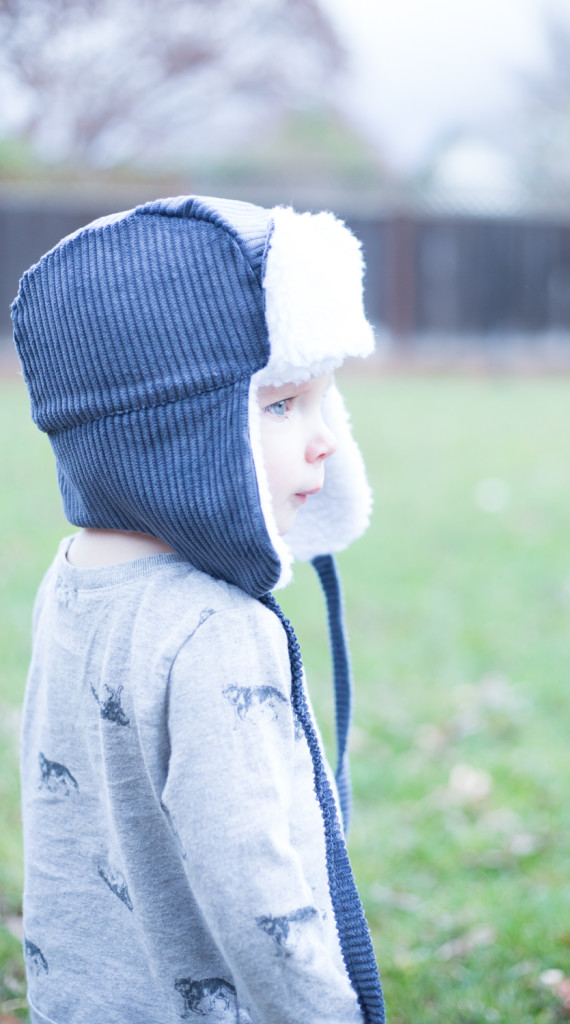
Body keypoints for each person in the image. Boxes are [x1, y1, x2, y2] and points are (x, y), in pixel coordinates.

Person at [12, 196, 385, 1024]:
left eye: (325, 403)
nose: (325, 437)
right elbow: (254, 892)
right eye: (283, 404)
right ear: (175, 430)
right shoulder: (218, 629)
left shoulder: (74, 579)